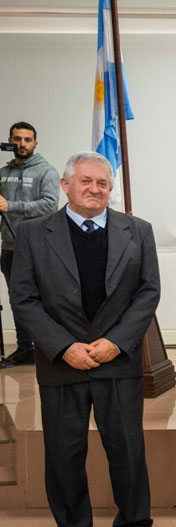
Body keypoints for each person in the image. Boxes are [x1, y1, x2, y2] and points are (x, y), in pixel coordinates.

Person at [10, 151, 159, 527]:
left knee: (127, 449)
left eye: (103, 183)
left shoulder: (138, 230)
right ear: (65, 185)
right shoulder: (34, 233)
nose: (95, 189)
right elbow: (23, 297)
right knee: (63, 452)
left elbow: (148, 293)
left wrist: (117, 341)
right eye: (86, 182)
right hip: (61, 364)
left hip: (117, 360)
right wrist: (63, 346)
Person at [0, 121, 60, 367]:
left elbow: (49, 205)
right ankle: (25, 348)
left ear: (35, 143)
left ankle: (50, 346)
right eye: (17, 139)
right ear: (10, 141)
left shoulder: (46, 171)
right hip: (10, 247)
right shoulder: (3, 173)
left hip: (39, 247)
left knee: (46, 298)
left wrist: (11, 206)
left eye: (26, 139)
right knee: (17, 299)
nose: (21, 144)